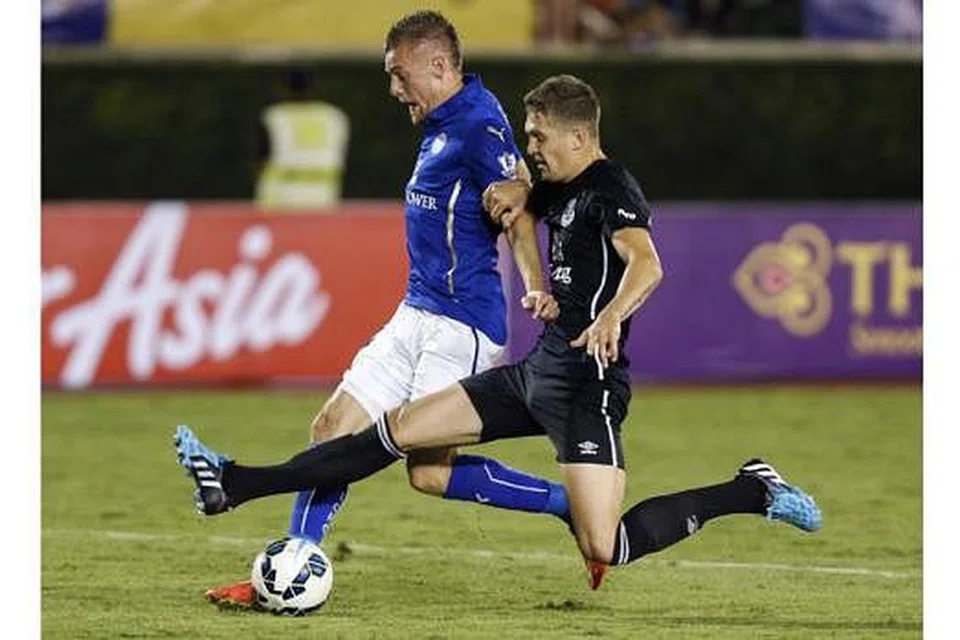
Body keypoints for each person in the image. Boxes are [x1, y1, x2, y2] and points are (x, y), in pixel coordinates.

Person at [177, 74, 821, 593]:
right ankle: (238, 482)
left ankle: (750, 488)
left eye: (539, 135)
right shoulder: (553, 184)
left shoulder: (610, 187)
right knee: (396, 431)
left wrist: (609, 317)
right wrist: (529, 253)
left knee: (608, 545)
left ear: (577, 135)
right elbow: (518, 205)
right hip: (533, 374)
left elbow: (648, 264)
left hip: (586, 389)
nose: (531, 145)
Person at [203, 12, 572, 608]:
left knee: (429, 474)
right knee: (330, 429)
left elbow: (518, 207)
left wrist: (534, 284)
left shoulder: (479, 123)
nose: (393, 89)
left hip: (462, 326)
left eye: (399, 75)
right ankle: (291, 572)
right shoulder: (439, 124)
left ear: (437, 65)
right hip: (416, 312)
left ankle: (569, 504)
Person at [254, 67, 351, 209]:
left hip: (279, 199)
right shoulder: (334, 117)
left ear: (284, 88)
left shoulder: (275, 116)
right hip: (324, 197)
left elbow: (259, 161)